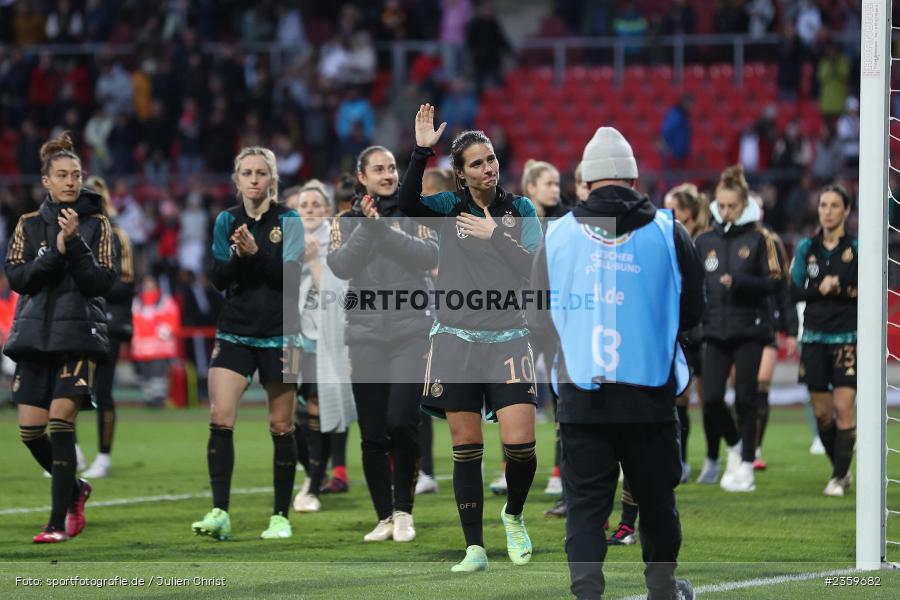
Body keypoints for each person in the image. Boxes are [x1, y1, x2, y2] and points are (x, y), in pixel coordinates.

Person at [529, 126, 701, 600]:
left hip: (582, 393)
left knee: (585, 507)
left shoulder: (556, 235)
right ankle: (662, 588)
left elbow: (536, 316)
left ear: (585, 182)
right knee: (657, 502)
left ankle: (587, 593)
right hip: (649, 394)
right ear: (634, 180)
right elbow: (693, 312)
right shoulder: (669, 231)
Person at [399, 105, 541, 572]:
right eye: (477, 163)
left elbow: (535, 269)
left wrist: (494, 234)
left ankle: (514, 514)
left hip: (509, 337)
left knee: (521, 445)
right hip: (456, 340)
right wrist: (421, 152)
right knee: (466, 448)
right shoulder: (449, 207)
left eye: (491, 159)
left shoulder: (520, 210)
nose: (488, 167)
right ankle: (474, 548)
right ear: (460, 173)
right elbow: (407, 204)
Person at [5, 131, 117, 542]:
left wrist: (75, 245)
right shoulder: (28, 224)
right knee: (30, 432)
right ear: (46, 182)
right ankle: (75, 489)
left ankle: (56, 524)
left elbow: (101, 283)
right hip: (35, 337)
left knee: (60, 422)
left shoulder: (98, 224)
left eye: (76, 175)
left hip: (79, 336)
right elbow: (19, 279)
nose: (71, 181)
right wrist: (55, 250)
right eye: (63, 175)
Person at [191, 146, 304, 541]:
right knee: (219, 418)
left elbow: (292, 279)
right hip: (235, 331)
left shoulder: (290, 220)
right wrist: (240, 257)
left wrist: (254, 255)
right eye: (247, 173)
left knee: (282, 425)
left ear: (272, 178)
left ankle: (280, 517)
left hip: (283, 333)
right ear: (236, 180)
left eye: (261, 172)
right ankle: (220, 512)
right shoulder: (226, 220)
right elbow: (219, 279)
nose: (254, 179)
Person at [328, 145, 438, 543]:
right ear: (362, 177)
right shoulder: (345, 221)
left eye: (392, 167)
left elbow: (428, 255)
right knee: (373, 432)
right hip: (365, 335)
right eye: (379, 169)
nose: (389, 174)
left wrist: (383, 231)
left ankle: (404, 511)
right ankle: (384, 517)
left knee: (401, 422)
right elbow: (341, 265)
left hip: (411, 331)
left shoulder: (414, 212)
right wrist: (368, 227)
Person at [694, 165, 784, 492]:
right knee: (711, 399)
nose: (726, 211)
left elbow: (777, 281)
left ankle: (746, 465)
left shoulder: (760, 238)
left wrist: (741, 282)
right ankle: (734, 444)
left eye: (732, 205)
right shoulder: (704, 240)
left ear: (744, 204)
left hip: (749, 329)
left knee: (746, 399)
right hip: (715, 330)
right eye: (721, 205)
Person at [286, 181, 354, 513]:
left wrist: (314, 260)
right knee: (288, 412)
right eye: (304, 205)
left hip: (324, 338)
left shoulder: (337, 243)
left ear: (327, 210)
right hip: (292, 336)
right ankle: (312, 468)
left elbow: (336, 296)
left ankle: (312, 485)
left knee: (318, 405)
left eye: (316, 204)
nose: (310, 210)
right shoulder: (288, 242)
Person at [791, 184, 857, 496]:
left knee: (844, 408)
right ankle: (841, 469)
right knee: (821, 412)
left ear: (846, 210)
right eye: (823, 205)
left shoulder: (857, 248)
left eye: (834, 205)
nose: (827, 211)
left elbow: (867, 291)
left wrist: (839, 289)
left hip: (847, 337)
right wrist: (820, 289)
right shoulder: (807, 248)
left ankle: (838, 477)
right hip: (814, 336)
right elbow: (793, 291)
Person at [82, 175, 134, 478]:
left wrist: (90, 284)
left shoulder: (117, 235)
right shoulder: (74, 233)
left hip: (107, 320)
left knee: (102, 389)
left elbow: (126, 284)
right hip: (78, 318)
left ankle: (103, 456)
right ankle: (72, 450)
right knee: (69, 387)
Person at [663, 183, 711, 481]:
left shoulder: (704, 242)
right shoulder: (666, 240)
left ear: (687, 213)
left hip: (704, 330)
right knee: (679, 398)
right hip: (682, 332)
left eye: (671, 209)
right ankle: (681, 460)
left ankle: (716, 456)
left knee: (709, 400)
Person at [749, 192, 798, 471]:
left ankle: (754, 449)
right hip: (738, 324)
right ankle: (739, 446)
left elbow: (783, 289)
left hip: (767, 323)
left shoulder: (772, 242)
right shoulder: (728, 239)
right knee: (742, 389)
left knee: (761, 383)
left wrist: (790, 330)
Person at [416, 166, 456, 497]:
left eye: (428, 194)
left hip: (453, 323)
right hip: (424, 322)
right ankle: (424, 470)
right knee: (421, 399)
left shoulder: (453, 227)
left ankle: (469, 459)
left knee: (461, 398)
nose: (423, 200)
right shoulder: (419, 229)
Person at [130, 275, 181, 408]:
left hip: (160, 348)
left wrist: (165, 330)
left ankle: (158, 401)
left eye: (151, 285)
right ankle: (149, 400)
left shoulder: (165, 302)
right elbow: (133, 322)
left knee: (158, 376)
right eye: (146, 285)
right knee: (145, 377)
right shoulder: (137, 303)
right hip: (141, 349)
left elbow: (173, 320)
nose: (148, 288)